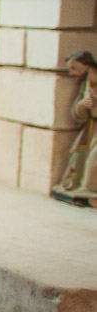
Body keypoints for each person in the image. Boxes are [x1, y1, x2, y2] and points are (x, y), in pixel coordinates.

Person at [54, 50, 97, 203]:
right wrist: (82, 105)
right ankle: (81, 186)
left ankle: (89, 189)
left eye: (74, 67)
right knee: (79, 155)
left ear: (86, 65)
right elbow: (78, 112)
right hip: (91, 128)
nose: (72, 72)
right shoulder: (86, 82)